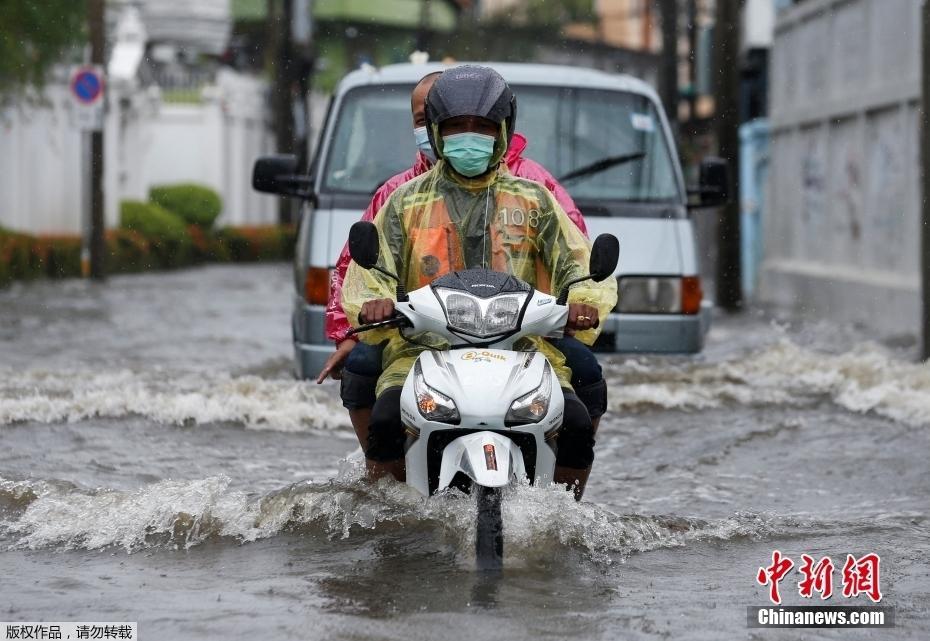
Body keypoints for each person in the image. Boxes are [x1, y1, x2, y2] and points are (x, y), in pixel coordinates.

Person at [340, 65, 617, 499]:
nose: (469, 136)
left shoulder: (535, 198)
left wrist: (584, 300)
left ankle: (563, 516)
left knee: (577, 424)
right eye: (456, 127)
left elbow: (576, 259)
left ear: (503, 131)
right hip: (421, 348)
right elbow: (372, 270)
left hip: (524, 346)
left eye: (482, 127)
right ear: (435, 132)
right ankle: (386, 513)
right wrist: (374, 304)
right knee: (387, 419)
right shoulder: (404, 200)